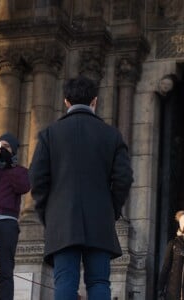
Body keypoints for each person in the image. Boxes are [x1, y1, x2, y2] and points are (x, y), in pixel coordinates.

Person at [29, 76, 133, 300]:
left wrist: (48, 213)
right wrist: (111, 209)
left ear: (66, 101)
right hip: (99, 219)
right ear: (94, 101)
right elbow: (124, 178)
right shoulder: (111, 135)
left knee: (65, 282)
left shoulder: (49, 135)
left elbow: (37, 179)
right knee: (98, 282)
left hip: (62, 221)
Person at [0, 133, 30, 300]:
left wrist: (9, 166)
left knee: (6, 270)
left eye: (6, 146)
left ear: (14, 150)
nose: (2, 149)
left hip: (7, 223)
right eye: (0, 145)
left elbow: (23, 187)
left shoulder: (20, 171)